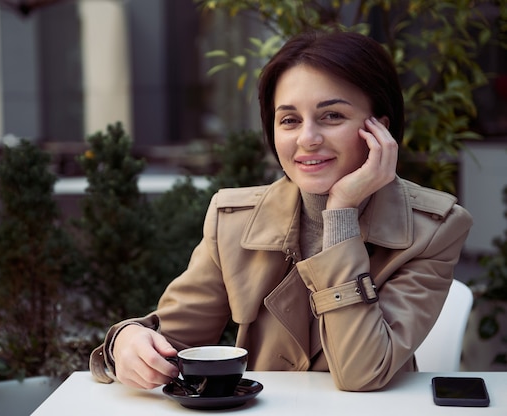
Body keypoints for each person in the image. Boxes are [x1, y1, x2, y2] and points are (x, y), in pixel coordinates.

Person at [89, 30, 473, 392]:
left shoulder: (433, 229)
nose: (307, 139)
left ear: (380, 130)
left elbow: (363, 372)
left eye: (332, 116)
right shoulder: (233, 220)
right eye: (289, 120)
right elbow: (173, 339)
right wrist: (126, 342)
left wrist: (339, 215)